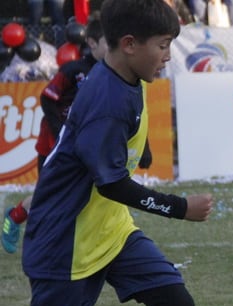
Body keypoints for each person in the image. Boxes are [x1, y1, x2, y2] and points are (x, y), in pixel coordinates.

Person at [0, 0, 214, 306]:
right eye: (163, 45)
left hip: (109, 230)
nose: (168, 55)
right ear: (130, 45)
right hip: (66, 240)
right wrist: (181, 207)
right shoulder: (107, 99)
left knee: (175, 304)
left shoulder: (127, 78)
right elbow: (114, 184)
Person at [1, 17, 138, 255]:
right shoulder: (72, 70)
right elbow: (47, 98)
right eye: (109, 42)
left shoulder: (113, 74)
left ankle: (77, 241)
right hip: (54, 146)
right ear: (92, 43)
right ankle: (15, 217)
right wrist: (60, 131)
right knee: (50, 196)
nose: (115, 47)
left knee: (83, 194)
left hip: (86, 148)